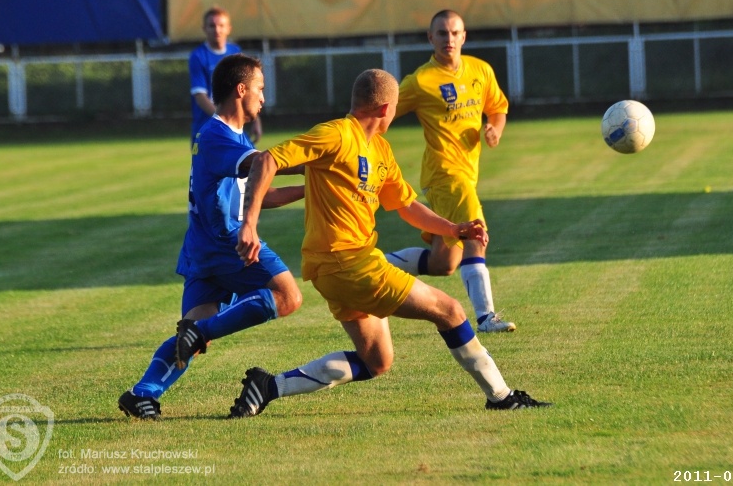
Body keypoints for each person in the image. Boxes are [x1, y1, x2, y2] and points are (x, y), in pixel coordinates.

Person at [230, 69, 550, 418]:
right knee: (450, 311)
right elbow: (268, 159)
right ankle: (501, 396)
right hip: (349, 263)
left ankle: (268, 386)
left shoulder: (380, 149)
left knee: (377, 360)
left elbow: (406, 205)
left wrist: (453, 229)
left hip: (337, 268)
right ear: (386, 109)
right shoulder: (336, 133)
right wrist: (250, 224)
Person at [118, 54, 304, 420]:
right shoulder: (218, 135)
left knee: (191, 337)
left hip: (202, 247)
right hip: (225, 242)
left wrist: (313, 189)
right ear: (241, 90)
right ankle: (199, 333)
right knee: (288, 296)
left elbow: (259, 195)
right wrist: (322, 164)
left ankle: (141, 394)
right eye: (260, 88)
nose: (263, 97)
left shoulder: (230, 136)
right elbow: (264, 163)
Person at [384, 9, 515, 334]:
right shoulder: (421, 81)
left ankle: (375, 266)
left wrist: (495, 129)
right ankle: (486, 317)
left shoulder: (480, 70)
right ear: (431, 38)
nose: (449, 39)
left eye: (455, 33)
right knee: (476, 233)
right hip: (444, 174)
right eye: (442, 33)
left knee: (444, 263)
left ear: (464, 36)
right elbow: (384, 112)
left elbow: (497, 108)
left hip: (467, 174)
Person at [189, 6, 263, 145]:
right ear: (204, 28)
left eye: (221, 25)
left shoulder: (235, 52)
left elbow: (246, 90)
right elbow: (200, 97)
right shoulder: (198, 56)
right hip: (207, 129)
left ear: (229, 28)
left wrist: (255, 119)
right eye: (212, 26)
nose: (217, 30)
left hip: (234, 128)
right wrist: (223, 119)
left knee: (252, 158)